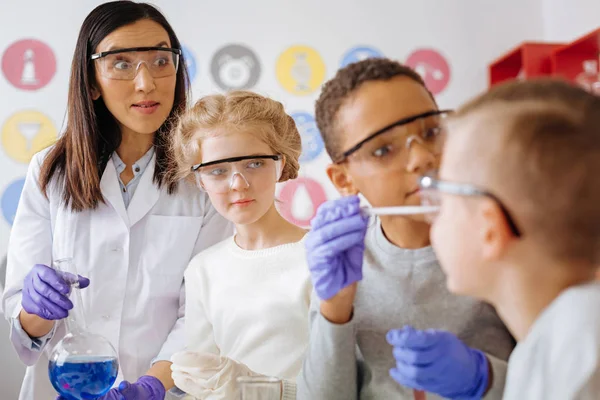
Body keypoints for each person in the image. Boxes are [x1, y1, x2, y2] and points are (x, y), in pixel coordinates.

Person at [1, 2, 231, 399]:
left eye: (161, 60)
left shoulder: (203, 175)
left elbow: (202, 315)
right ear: (91, 82)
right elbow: (25, 328)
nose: (146, 83)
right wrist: (36, 306)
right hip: (62, 387)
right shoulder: (51, 170)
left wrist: (151, 387)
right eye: (121, 63)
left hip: (166, 388)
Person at [296, 58, 515, 400]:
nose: (421, 158)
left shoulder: (503, 238)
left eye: (430, 132)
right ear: (344, 179)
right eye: (383, 150)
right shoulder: (344, 263)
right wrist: (334, 309)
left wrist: (485, 378)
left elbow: (566, 381)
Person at [417, 79, 600, 399]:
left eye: (441, 198)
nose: (431, 214)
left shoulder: (578, 351)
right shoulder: (549, 344)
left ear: (489, 229)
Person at [167, 91, 310, 400]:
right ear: (200, 180)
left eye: (255, 163)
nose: (238, 184)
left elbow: (349, 381)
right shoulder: (202, 270)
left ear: (280, 164)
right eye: (218, 170)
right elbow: (202, 386)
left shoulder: (320, 258)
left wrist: (264, 391)